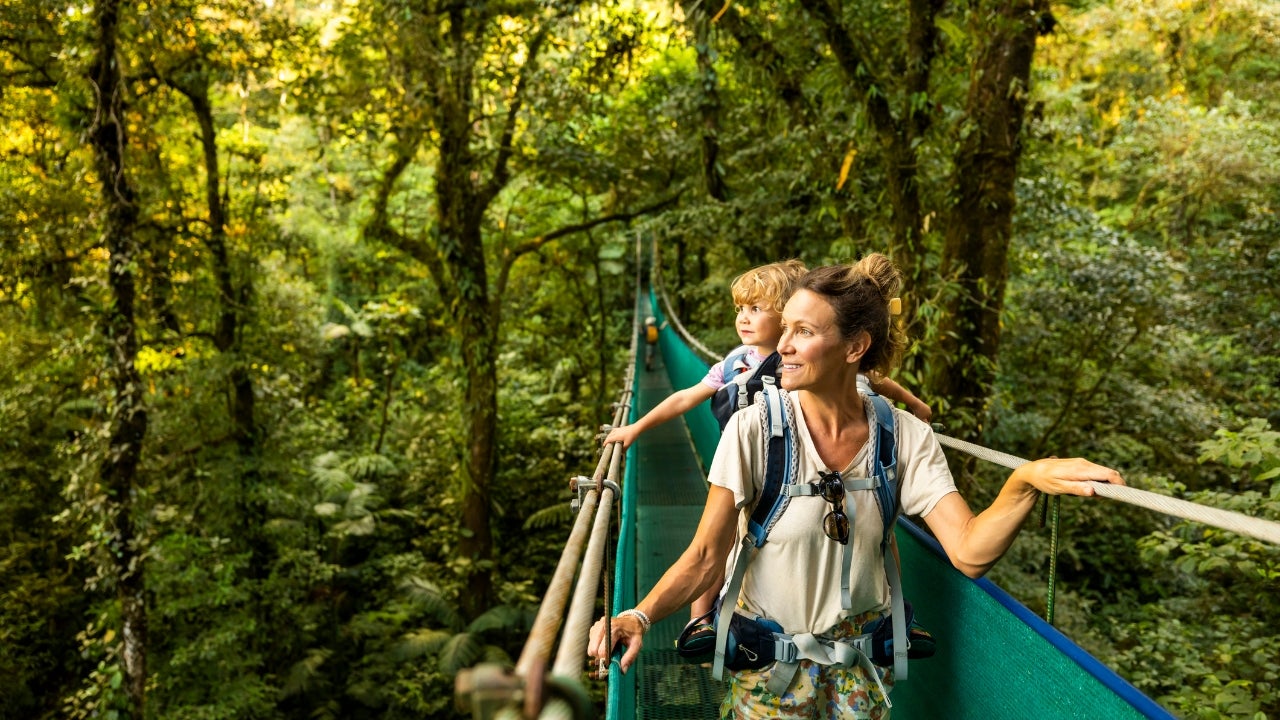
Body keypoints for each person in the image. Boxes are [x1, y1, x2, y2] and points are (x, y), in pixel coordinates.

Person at [589, 254, 1124, 718]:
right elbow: (707, 554)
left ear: (854, 347)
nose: (784, 346)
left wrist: (1023, 483)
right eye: (787, 328)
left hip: (863, 673)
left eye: (804, 332)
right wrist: (640, 615)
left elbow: (969, 552)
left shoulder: (903, 436)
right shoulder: (752, 428)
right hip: (767, 668)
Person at [607, 259, 932, 635]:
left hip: (790, 474)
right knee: (717, 542)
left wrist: (916, 406)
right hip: (740, 468)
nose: (743, 318)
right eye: (739, 310)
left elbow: (874, 381)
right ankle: (701, 622)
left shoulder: (806, 362)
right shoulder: (733, 365)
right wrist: (636, 428)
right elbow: (684, 398)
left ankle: (895, 616)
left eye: (755, 309)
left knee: (875, 536)